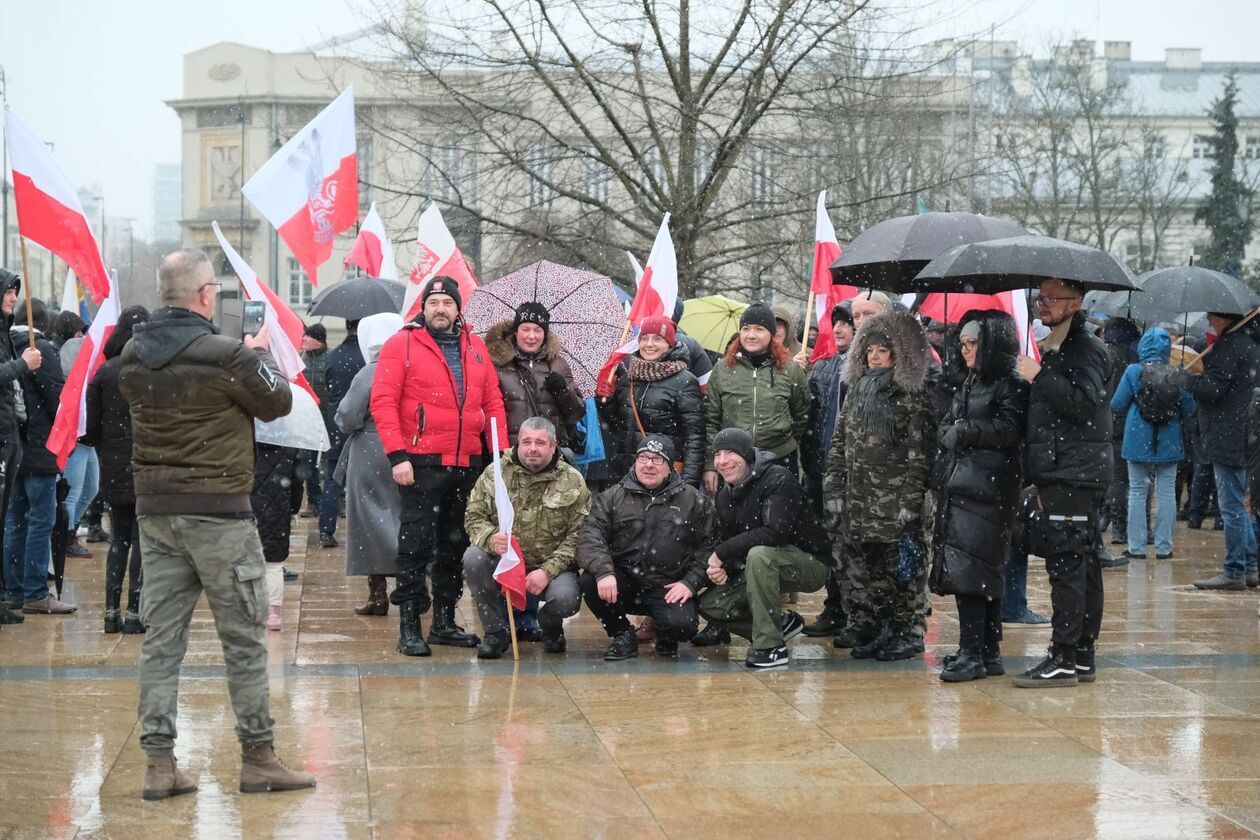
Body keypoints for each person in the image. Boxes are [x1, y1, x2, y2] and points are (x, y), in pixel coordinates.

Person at [119, 248, 312, 799]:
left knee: (161, 643)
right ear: (206, 294)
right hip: (221, 515)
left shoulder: (134, 353)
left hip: (156, 514)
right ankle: (259, 758)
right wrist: (255, 357)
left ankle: (159, 765)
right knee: (244, 642)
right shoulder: (227, 355)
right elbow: (277, 402)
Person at [371, 277, 508, 656]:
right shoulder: (403, 344)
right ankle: (410, 625)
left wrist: (501, 458)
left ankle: (444, 622)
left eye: (447, 302)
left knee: (455, 545)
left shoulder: (476, 347)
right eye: (434, 302)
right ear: (424, 308)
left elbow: (493, 403)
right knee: (414, 546)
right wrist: (398, 455)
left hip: (468, 463)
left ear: (457, 307)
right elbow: (383, 401)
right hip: (420, 461)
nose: (441, 309)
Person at [1011, 278, 1113, 688]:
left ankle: (1063, 657)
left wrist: (1038, 377)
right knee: (1081, 562)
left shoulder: (1083, 347)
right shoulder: (1059, 344)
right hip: (1068, 469)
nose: (1043, 304)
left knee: (1069, 564)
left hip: (1073, 472)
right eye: (1041, 297)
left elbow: (1082, 404)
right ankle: (1082, 654)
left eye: (1052, 298)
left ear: (1076, 303)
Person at [823, 309, 933, 662]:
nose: (873, 356)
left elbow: (919, 454)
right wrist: (834, 487)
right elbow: (840, 442)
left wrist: (910, 501)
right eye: (869, 350)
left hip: (895, 498)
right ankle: (885, 627)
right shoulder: (856, 390)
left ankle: (910, 631)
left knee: (905, 569)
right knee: (875, 570)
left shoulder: (908, 396)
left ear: (895, 355)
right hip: (861, 499)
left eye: (882, 351)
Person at [930, 312, 1028, 682]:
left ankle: (976, 651)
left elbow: (1009, 429)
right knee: (973, 569)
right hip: (966, 484)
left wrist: (966, 430)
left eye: (973, 344)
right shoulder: (970, 381)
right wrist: (952, 429)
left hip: (988, 488)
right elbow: (952, 420)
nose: (965, 350)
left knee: (974, 571)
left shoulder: (1009, 384)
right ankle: (984, 650)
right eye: (963, 343)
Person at [695, 427, 831, 667]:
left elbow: (775, 532)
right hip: (761, 565)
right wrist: (720, 567)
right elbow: (729, 541)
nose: (722, 461)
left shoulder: (777, 478)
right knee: (711, 605)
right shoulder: (725, 495)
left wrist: (720, 554)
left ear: (747, 455)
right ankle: (780, 624)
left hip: (811, 564)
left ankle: (770, 646)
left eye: (730, 453)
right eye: (717, 454)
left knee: (760, 555)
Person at [578, 434, 714, 659]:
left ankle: (665, 632)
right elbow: (590, 536)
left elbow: (709, 547)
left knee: (683, 627)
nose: (649, 464)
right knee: (589, 581)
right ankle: (622, 633)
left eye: (657, 459)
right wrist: (603, 571)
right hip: (624, 583)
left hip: (668, 586)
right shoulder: (612, 497)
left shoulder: (694, 501)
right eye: (643, 458)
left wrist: (690, 583)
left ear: (670, 468)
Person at [463, 416, 590, 659]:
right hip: (506, 562)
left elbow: (580, 536)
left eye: (541, 443)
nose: (533, 449)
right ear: (518, 443)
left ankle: (549, 625)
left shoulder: (572, 480)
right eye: (527, 442)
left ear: (553, 446)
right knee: (473, 557)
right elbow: (473, 516)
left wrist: (547, 571)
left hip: (551, 568)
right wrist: (490, 537)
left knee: (566, 599)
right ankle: (496, 633)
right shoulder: (495, 474)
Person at [83, 305, 149, 634]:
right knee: (141, 540)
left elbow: (91, 430)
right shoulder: (152, 371)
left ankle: (111, 612)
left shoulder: (104, 373)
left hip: (113, 465)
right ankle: (135, 612)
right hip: (147, 465)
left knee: (119, 539)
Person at [4, 299, 73, 615]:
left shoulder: (7, 344)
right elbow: (58, 398)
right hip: (41, 448)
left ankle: (14, 590)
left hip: (14, 447)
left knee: (14, 521)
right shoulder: (38, 348)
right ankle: (34, 592)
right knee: (39, 522)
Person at [334, 313, 403, 616]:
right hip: (403, 449)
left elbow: (347, 416)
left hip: (369, 451)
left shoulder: (368, 373)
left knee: (368, 522)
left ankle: (377, 594)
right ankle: (410, 584)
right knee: (402, 517)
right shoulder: (408, 369)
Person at [702, 303, 810, 495]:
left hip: (780, 458)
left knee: (780, 520)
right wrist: (711, 465)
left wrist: (783, 438)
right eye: (746, 329)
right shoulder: (723, 369)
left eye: (759, 329)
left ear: (771, 333)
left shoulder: (789, 369)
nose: (751, 335)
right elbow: (710, 419)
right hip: (734, 461)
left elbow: (801, 413)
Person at [1110, 326, 1197, 562]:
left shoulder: (1132, 371)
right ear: (1167, 348)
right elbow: (1190, 408)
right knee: (1166, 492)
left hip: (1137, 437)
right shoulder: (1176, 372)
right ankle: (1163, 547)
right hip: (1169, 439)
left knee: (1137, 491)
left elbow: (1116, 405)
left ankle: (1136, 547)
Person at [1191, 311, 1260, 590]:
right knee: (1245, 505)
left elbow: (1212, 390)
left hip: (1229, 435)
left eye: (1212, 316)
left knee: (1232, 507)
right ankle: (1251, 565)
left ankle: (1234, 570)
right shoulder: (1253, 345)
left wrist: (1188, 380)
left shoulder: (1229, 345)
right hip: (1248, 433)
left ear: (1226, 317)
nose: (1208, 321)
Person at [801, 301, 854, 638]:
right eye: (835, 323)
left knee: (855, 548)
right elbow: (809, 419)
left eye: (846, 323)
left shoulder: (871, 369)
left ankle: (858, 612)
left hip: (860, 477)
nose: (837, 330)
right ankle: (835, 608)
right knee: (831, 544)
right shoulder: (822, 368)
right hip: (823, 474)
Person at [599, 314, 704, 486]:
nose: (649, 344)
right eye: (644, 338)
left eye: (657, 339)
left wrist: (689, 484)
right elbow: (618, 426)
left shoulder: (684, 381)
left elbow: (694, 438)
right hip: (627, 474)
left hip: (664, 476)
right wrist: (605, 401)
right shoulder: (629, 377)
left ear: (669, 343)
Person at [0, 270, 45, 626]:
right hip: (2, 435)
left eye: (16, 291)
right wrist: (21, 365)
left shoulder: (5, 331)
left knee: (6, 520)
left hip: (10, 432)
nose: (14, 297)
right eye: (8, 291)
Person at [485, 302, 584, 448]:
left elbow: (576, 414)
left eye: (538, 330)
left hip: (551, 454)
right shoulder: (497, 364)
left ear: (544, 334)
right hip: (511, 454)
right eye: (525, 329)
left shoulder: (558, 364)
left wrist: (563, 391)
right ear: (516, 332)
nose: (531, 336)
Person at [53, 311, 97, 559]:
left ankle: (67, 530)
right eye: (78, 332)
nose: (83, 336)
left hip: (87, 438)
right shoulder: (63, 361)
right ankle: (65, 535)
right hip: (76, 438)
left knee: (91, 488)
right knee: (72, 492)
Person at [317, 318, 365, 547]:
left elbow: (326, 389)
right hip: (363, 427)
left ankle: (326, 530)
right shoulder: (367, 357)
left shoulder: (333, 355)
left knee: (332, 480)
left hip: (336, 425)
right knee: (364, 483)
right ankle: (362, 535)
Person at [250, 442, 300, 632]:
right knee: (274, 563)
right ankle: (273, 612)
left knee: (246, 562)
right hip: (277, 510)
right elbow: (297, 481)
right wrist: (293, 505)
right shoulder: (289, 444)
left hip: (246, 506)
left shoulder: (244, 440)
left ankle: (251, 608)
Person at [298, 322, 329, 519]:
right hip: (308, 420)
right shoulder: (301, 360)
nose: (303, 340)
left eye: (307, 337)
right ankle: (313, 501)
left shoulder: (330, 359)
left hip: (327, 418)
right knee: (308, 463)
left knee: (329, 463)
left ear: (318, 340)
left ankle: (334, 500)